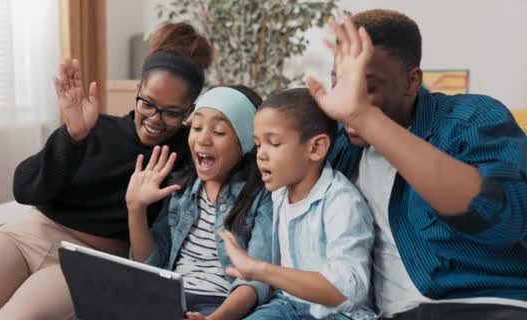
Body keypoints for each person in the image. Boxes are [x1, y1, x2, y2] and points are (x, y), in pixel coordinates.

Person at [0, 22, 212, 320]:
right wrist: (72, 136)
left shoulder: (191, 158)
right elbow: (24, 189)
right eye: (147, 103)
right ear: (138, 90)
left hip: (89, 261)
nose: (155, 119)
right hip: (29, 236)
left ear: (190, 111)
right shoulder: (94, 127)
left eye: (172, 112)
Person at [303, 9, 527, 320]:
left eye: (367, 86)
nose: (348, 99)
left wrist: (366, 118)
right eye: (340, 82)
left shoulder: (469, 120)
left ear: (411, 82)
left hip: (486, 305)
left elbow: (504, 219)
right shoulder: (339, 145)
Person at [218, 88, 376, 320]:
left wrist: (259, 269)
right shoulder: (279, 193)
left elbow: (346, 292)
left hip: (340, 314)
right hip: (289, 305)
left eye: (273, 143)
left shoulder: (342, 202)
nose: (260, 155)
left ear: (315, 148)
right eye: (258, 144)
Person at [126, 86, 273, 319]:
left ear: (245, 142)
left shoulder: (261, 198)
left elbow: (256, 282)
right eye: (197, 127)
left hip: (219, 306)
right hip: (169, 300)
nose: (203, 139)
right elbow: (150, 263)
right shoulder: (181, 191)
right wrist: (136, 208)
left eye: (219, 131)